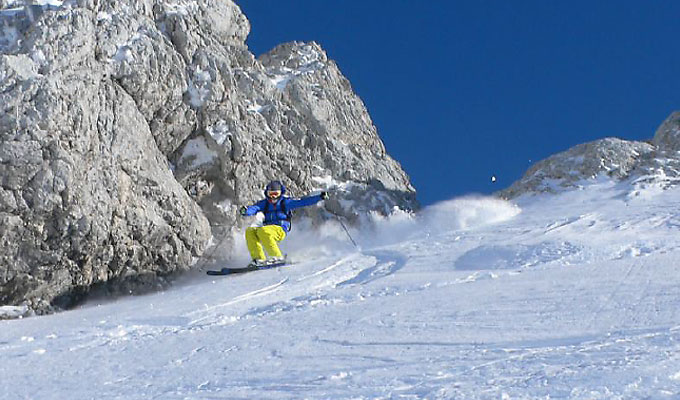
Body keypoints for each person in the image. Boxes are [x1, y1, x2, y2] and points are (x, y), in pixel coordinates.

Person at [239, 180, 329, 266]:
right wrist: (246, 211)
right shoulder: (265, 203)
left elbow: (302, 202)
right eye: (271, 194)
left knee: (263, 231)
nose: (273, 197)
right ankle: (258, 259)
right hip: (268, 229)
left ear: (280, 193)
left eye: (276, 194)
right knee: (250, 231)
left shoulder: (285, 202)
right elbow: (254, 208)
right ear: (267, 193)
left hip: (280, 229)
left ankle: (276, 257)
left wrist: (319, 197)